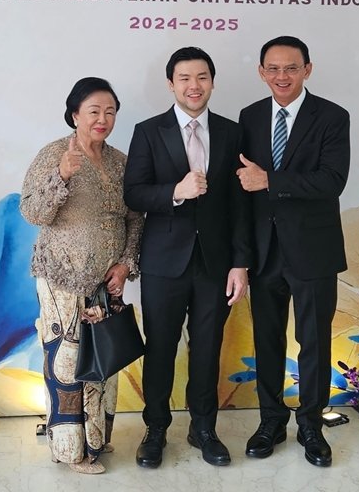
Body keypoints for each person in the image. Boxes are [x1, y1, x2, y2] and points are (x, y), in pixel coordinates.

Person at [123, 47, 251, 469]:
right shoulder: (147, 131)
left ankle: (203, 428)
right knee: (160, 347)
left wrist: (240, 263)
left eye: (201, 77)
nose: (193, 86)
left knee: (207, 348)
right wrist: (175, 192)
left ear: (212, 82)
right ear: (171, 84)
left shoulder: (232, 133)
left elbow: (240, 206)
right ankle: (155, 429)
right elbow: (134, 193)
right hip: (164, 261)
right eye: (184, 78)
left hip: (215, 264)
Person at [236, 36, 350, 468]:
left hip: (314, 250)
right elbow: (242, 192)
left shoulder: (333, 117)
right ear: (262, 72)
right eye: (273, 68)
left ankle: (311, 425)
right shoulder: (249, 117)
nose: (282, 76)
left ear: (308, 69)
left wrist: (273, 181)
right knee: (267, 342)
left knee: (314, 342)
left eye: (291, 68)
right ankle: (270, 421)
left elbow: (331, 181)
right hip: (265, 252)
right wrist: (242, 256)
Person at [20, 77, 143, 475]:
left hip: (106, 286)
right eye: (94, 111)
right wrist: (61, 174)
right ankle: (70, 451)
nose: (103, 119)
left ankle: (96, 441)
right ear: (75, 115)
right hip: (62, 280)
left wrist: (125, 264)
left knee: (104, 362)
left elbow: (135, 217)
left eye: (110, 111)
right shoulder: (54, 153)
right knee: (67, 364)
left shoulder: (121, 161)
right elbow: (33, 213)